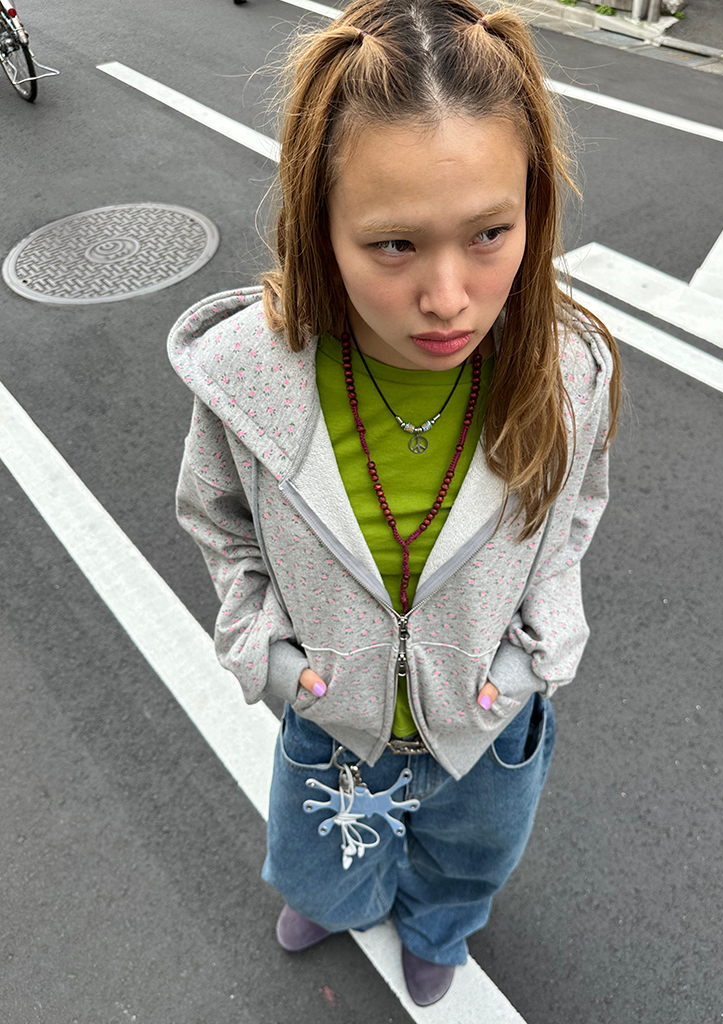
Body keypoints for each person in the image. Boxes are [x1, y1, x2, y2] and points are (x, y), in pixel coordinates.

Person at [167, 0, 620, 1007]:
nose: (449, 298)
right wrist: (270, 658)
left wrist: (530, 658)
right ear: (317, 225)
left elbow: (571, 521)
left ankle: (437, 926)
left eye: (490, 233)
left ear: (534, 206)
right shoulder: (251, 377)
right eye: (394, 246)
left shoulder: (565, 372)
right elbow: (218, 519)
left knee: (469, 858)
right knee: (315, 859)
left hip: (487, 723)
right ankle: (339, 897)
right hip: (330, 716)